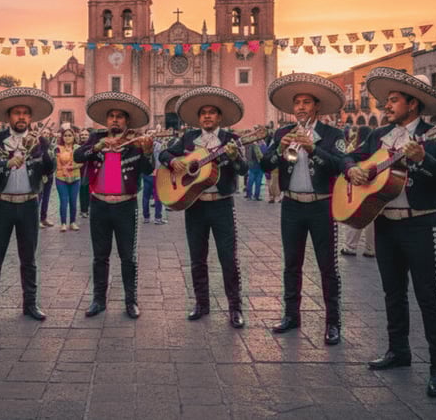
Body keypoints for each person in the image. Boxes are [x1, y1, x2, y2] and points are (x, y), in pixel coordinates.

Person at [344, 67, 436, 397]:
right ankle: (399, 351)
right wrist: (353, 170)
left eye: (393, 100)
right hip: (385, 223)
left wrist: (423, 160)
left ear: (413, 104)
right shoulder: (378, 136)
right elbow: (351, 156)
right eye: (387, 101)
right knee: (392, 293)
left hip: (421, 223)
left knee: (429, 298)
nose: (386, 106)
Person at [260, 73, 346, 347]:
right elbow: (265, 164)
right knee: (291, 263)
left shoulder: (333, 134)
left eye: (306, 102)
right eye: (297, 103)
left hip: (322, 205)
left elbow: (341, 164)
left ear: (316, 106)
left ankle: (333, 322)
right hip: (292, 204)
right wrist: (279, 150)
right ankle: (290, 315)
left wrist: (314, 149)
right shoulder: (283, 132)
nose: (300, 107)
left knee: (327, 266)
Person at [159, 87, 248, 327]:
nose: (207, 116)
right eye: (203, 113)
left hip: (221, 205)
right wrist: (174, 161)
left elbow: (243, 170)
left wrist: (235, 157)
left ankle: (235, 308)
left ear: (219, 117)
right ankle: (201, 304)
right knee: (197, 258)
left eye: (212, 113)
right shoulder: (188, 139)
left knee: (228, 258)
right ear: (199, 119)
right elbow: (164, 155)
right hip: (195, 206)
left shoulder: (232, 140)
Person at [0, 87, 55, 327]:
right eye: (16, 113)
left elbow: (50, 169)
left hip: (29, 204)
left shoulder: (40, 141)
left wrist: (44, 152)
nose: (21, 117)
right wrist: (6, 163)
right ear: (9, 117)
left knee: (29, 258)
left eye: (25, 114)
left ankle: (30, 304)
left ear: (31, 118)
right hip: (2, 204)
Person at [75, 92, 153, 319]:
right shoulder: (95, 138)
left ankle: (131, 301)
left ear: (127, 121)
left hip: (125, 205)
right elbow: (79, 156)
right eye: (111, 116)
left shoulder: (135, 142)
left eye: (120, 117)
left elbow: (148, 171)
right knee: (100, 256)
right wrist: (98, 147)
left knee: (128, 256)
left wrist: (147, 153)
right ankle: (98, 300)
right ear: (106, 120)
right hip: (99, 204)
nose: (115, 120)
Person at [340, 126, 375, 258]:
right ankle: (371, 248)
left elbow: (345, 159)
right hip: (373, 185)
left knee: (355, 215)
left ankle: (350, 246)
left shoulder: (354, 147)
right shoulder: (374, 147)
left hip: (357, 184)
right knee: (372, 218)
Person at [54, 127, 81, 231]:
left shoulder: (78, 148)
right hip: (61, 178)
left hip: (75, 177)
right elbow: (56, 163)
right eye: (65, 135)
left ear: (74, 136)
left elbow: (82, 163)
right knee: (63, 201)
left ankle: (73, 222)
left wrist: (72, 167)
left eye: (70, 135)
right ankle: (63, 223)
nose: (67, 137)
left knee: (73, 201)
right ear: (62, 137)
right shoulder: (58, 148)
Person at [39, 127, 56, 228]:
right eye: (43, 132)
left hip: (50, 175)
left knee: (46, 198)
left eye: (47, 133)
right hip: (40, 175)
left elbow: (54, 160)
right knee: (39, 198)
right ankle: (36, 219)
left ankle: (44, 218)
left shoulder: (52, 146)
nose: (45, 134)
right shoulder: (37, 146)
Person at [78, 128, 91, 218]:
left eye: (86, 135)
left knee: (90, 191)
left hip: (90, 170)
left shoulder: (92, 146)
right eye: (82, 135)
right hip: (80, 171)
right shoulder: (77, 146)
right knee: (82, 190)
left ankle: (88, 208)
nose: (84, 136)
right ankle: (84, 210)